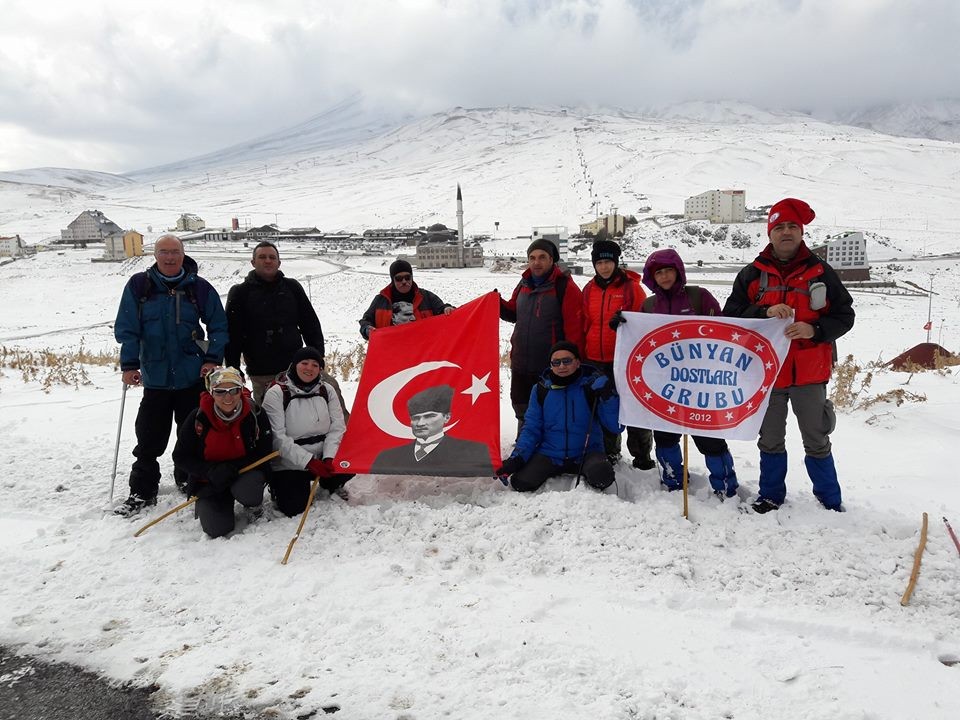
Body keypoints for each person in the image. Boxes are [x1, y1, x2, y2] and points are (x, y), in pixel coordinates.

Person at [723, 198, 854, 513]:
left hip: (810, 373)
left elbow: (844, 315)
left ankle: (829, 500)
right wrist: (764, 310)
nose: (785, 232)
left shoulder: (822, 272)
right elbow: (732, 315)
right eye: (779, 227)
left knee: (817, 437)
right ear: (769, 233)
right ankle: (770, 495)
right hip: (766, 374)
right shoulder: (752, 275)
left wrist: (815, 330)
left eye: (792, 226)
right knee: (769, 439)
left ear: (801, 231)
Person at [114, 235, 228, 517]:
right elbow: (127, 328)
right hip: (155, 378)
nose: (169, 257)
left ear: (183, 254)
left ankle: (188, 480)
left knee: (191, 435)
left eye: (174, 252)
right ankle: (142, 492)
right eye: (164, 252)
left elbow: (218, 325)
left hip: (191, 377)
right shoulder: (139, 286)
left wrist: (212, 359)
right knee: (149, 439)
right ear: (155, 255)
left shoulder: (198, 288)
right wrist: (129, 365)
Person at [636, 248, 739, 498]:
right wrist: (625, 324)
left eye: (668, 270)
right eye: (658, 272)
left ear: (678, 271)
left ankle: (725, 485)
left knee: (709, 438)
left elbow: (722, 330)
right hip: (665, 386)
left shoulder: (698, 297)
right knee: (665, 436)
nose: (664, 276)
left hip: (701, 383)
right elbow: (639, 343)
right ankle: (673, 480)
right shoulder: (649, 305)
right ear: (652, 277)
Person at [224, 241, 345, 412]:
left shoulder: (292, 287)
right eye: (262, 257)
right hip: (262, 371)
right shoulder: (240, 293)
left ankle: (347, 435)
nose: (268, 261)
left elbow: (310, 323)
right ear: (253, 262)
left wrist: (317, 356)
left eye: (272, 257)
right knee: (270, 418)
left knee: (331, 394)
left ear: (279, 263)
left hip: (297, 366)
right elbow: (232, 334)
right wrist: (233, 368)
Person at [495, 341, 619, 492]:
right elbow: (531, 428)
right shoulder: (541, 389)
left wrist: (609, 397)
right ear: (551, 365)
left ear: (578, 362)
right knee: (520, 483)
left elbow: (615, 427)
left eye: (567, 361)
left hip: (586, 453)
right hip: (550, 454)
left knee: (602, 477)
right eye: (556, 362)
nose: (561, 366)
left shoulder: (591, 387)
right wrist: (516, 460)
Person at [172, 367, 274, 538]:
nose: (228, 397)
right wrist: (209, 471)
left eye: (234, 390)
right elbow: (180, 456)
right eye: (220, 391)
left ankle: (253, 506)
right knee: (216, 529)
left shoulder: (254, 413)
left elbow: (264, 450)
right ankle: (216, 502)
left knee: (248, 487)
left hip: (242, 474)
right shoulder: (198, 418)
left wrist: (234, 467)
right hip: (209, 480)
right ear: (211, 392)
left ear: (241, 390)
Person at [582, 238, 655, 470]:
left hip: (625, 360)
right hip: (595, 359)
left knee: (633, 408)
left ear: (616, 262)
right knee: (606, 407)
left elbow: (643, 323)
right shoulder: (589, 289)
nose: (604, 267)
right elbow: (585, 321)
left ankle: (642, 455)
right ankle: (611, 451)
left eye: (608, 262)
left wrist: (625, 323)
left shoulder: (631, 288)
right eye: (599, 262)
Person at [499, 239, 584, 433]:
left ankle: (548, 446)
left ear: (552, 260)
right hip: (521, 361)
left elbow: (574, 330)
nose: (536, 262)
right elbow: (514, 312)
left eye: (542, 257)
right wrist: (496, 303)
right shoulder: (523, 284)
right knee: (521, 405)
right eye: (532, 258)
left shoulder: (565, 287)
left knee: (549, 408)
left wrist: (573, 363)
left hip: (551, 366)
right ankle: (524, 440)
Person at [261, 346, 354, 515]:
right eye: (304, 363)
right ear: (295, 365)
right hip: (290, 461)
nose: (309, 368)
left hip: (322, 454)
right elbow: (278, 438)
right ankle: (281, 487)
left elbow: (337, 427)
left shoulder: (327, 389)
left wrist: (328, 456)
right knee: (294, 508)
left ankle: (331, 482)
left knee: (352, 460)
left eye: (315, 365)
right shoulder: (277, 393)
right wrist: (309, 461)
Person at [369, 384, 493, 476]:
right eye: (415, 418)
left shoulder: (474, 452)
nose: (420, 423)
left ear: (447, 417)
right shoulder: (387, 457)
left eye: (429, 416)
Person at [359, 259, 453, 339]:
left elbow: (442, 310)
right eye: (399, 278)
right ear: (393, 280)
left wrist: (447, 309)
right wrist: (367, 329)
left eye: (407, 277)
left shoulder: (426, 297)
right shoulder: (381, 300)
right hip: (391, 353)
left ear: (412, 277)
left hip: (422, 353)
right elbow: (366, 320)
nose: (404, 282)